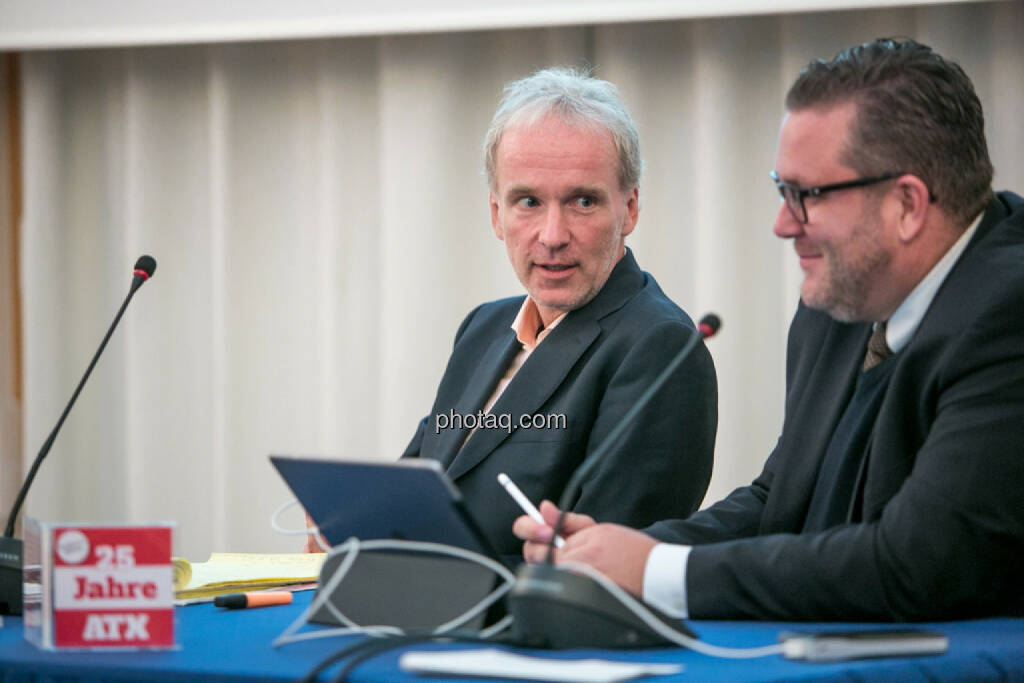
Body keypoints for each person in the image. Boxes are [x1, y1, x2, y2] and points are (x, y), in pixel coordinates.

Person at [515, 39, 1024, 620]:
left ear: (906, 204)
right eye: (782, 190)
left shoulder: (1008, 314)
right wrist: (625, 553)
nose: (783, 224)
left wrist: (657, 573)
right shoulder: (838, 301)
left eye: (806, 196)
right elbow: (780, 501)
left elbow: (916, 566)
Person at [305, 67, 717, 556]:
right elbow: (419, 486)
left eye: (583, 201)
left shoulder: (660, 346)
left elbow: (602, 567)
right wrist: (350, 523)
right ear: (497, 215)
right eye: (528, 201)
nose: (552, 234)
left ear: (628, 210)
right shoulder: (482, 328)